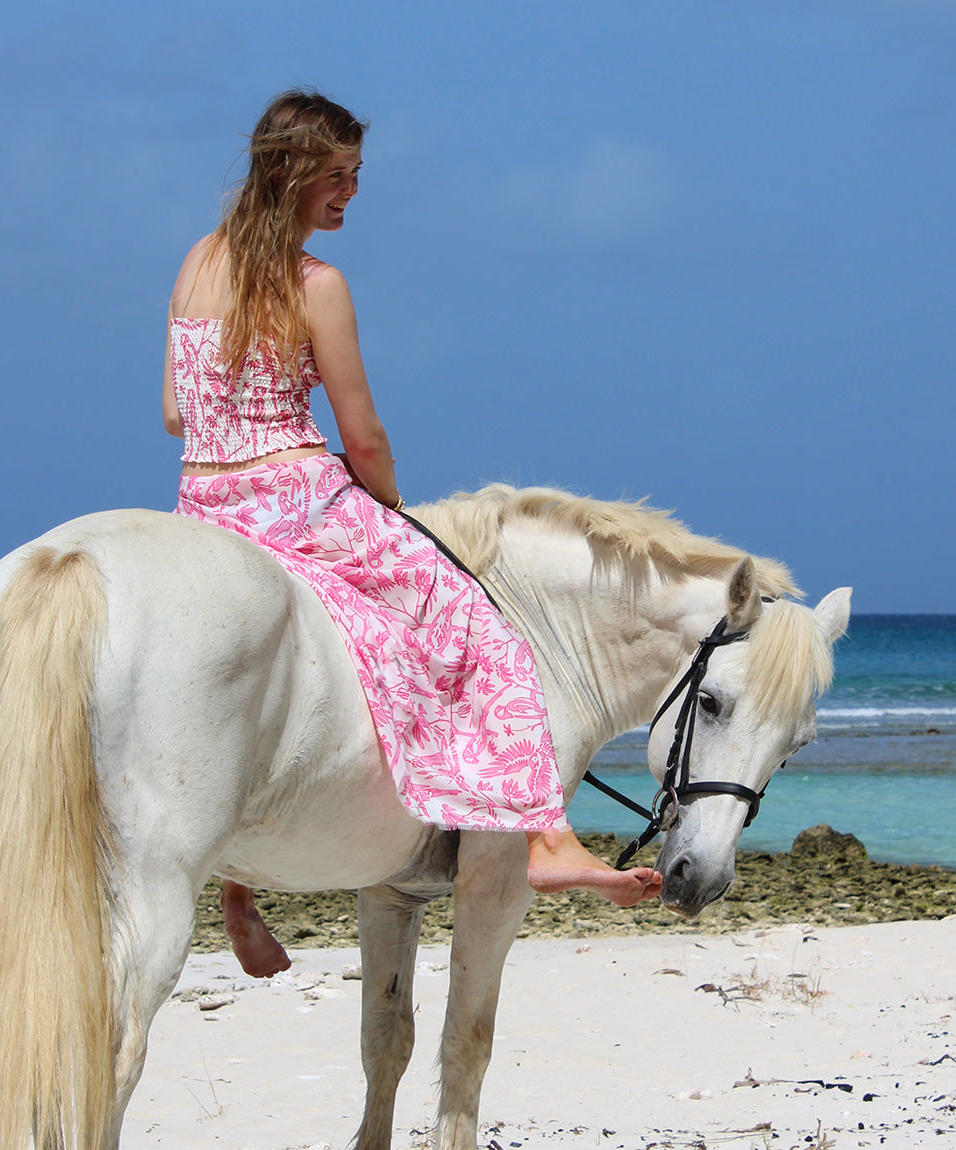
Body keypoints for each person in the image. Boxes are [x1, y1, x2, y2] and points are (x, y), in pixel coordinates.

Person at [163, 90, 661, 976]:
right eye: (337, 176)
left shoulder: (198, 260)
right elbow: (364, 438)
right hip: (301, 498)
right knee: (481, 630)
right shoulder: (317, 284)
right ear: (291, 172)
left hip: (206, 504)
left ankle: (236, 891)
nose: (350, 193)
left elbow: (174, 414)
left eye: (355, 175)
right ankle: (544, 842)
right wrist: (389, 508)